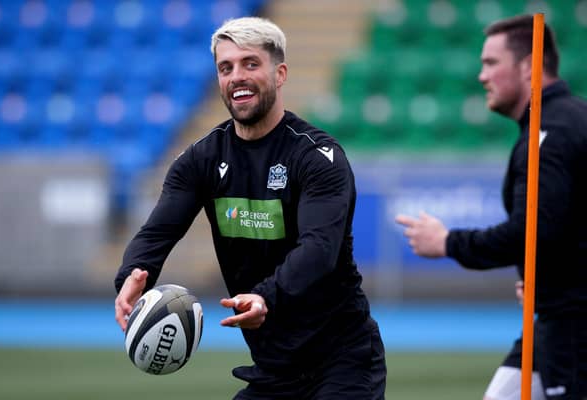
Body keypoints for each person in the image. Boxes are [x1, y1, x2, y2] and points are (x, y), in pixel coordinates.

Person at [114, 16, 386, 399]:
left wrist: (265, 296)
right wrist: (132, 274)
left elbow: (319, 249)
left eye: (250, 64)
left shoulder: (317, 157)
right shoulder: (200, 159)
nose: (237, 76)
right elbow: (157, 232)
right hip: (273, 369)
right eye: (226, 68)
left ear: (280, 73)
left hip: (343, 361)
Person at [395, 15, 587, 400]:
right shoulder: (567, 120)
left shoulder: (551, 133)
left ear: (528, 66)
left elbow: (531, 232)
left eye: (491, 63)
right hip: (557, 310)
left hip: (573, 324)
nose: (482, 76)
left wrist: (448, 242)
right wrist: (554, 275)